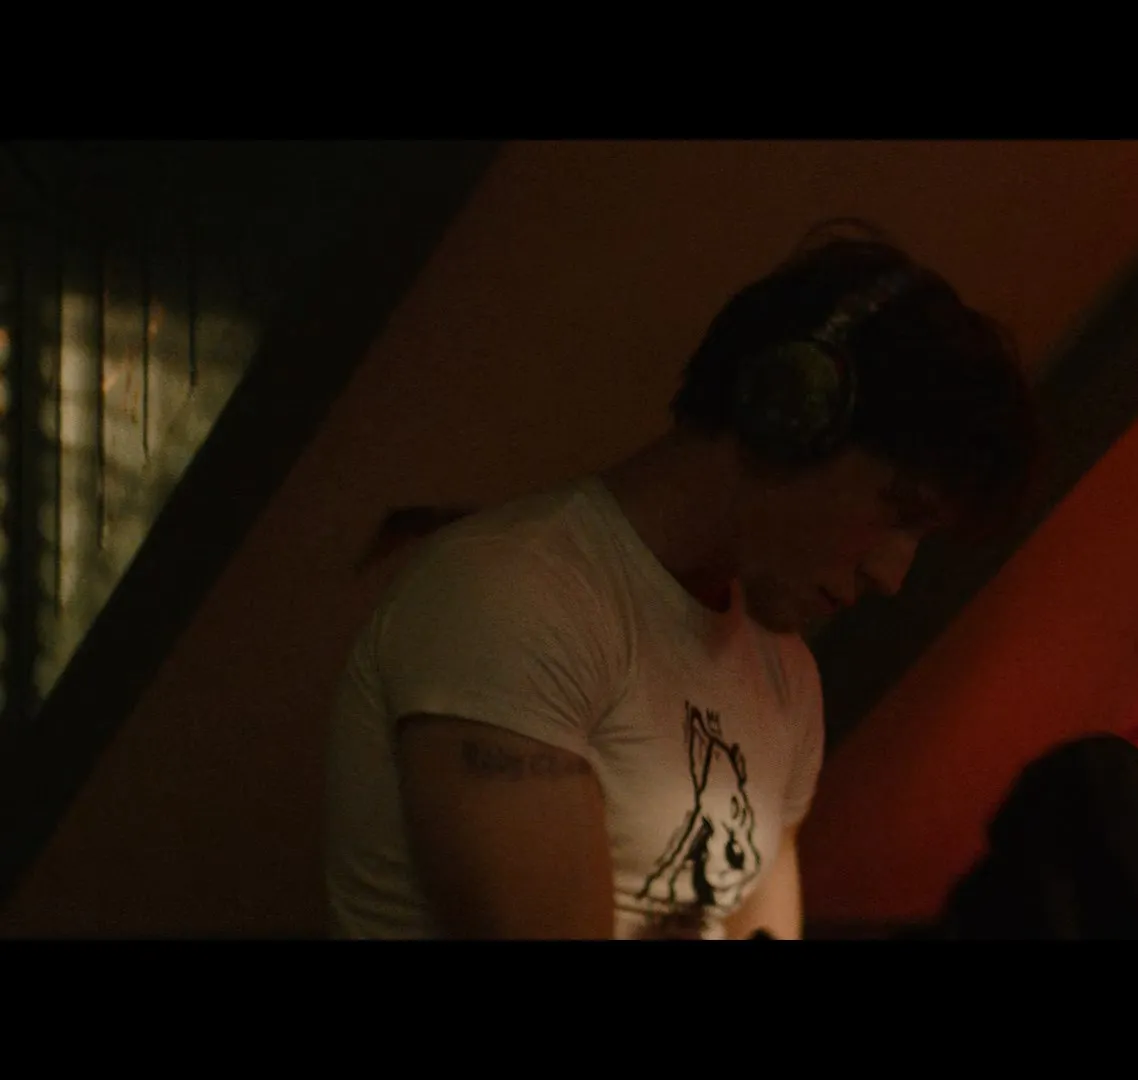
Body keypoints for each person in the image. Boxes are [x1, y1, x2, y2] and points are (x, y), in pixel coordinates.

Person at [323, 221, 1039, 939]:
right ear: (789, 415)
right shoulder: (515, 597)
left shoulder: (785, 677)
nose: (892, 573)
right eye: (898, 512)